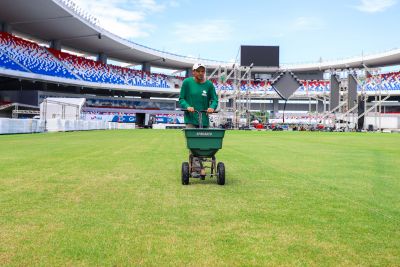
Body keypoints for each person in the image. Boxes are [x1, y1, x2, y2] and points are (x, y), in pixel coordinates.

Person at [179, 63, 218, 128]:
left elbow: (215, 100)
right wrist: (187, 106)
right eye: (198, 71)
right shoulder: (187, 82)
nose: (201, 73)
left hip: (204, 120)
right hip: (190, 120)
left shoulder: (209, 84)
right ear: (193, 72)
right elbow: (181, 99)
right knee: (192, 137)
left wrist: (212, 107)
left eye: (203, 71)